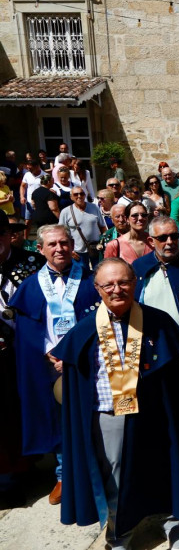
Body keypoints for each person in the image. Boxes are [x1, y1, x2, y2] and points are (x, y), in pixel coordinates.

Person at [51, 258, 179, 550]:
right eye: (108, 284)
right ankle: (119, 530)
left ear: (135, 282)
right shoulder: (84, 330)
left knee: (166, 466)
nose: (117, 289)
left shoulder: (158, 321)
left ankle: (172, 522)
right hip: (109, 416)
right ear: (97, 288)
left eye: (123, 282)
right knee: (115, 476)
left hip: (157, 414)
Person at [11, 225, 98, 507]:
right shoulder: (30, 285)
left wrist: (77, 352)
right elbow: (27, 330)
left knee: (93, 414)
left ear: (72, 244)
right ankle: (64, 474)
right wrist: (51, 353)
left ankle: (95, 467)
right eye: (52, 244)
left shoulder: (90, 278)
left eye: (64, 242)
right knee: (58, 418)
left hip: (87, 360)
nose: (59, 248)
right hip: (49, 364)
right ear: (40, 249)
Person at [0, 212, 42, 507]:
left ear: (8, 235)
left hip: (24, 353)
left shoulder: (31, 266)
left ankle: (24, 467)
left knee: (25, 410)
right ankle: (8, 477)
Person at [58, 185, 105, 270]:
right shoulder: (66, 212)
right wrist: (69, 250)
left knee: (99, 272)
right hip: (77, 251)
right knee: (81, 275)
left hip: (96, 248)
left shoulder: (94, 207)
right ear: (71, 197)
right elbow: (61, 234)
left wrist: (104, 243)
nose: (79, 196)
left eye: (82, 194)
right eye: (76, 194)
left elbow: (102, 227)